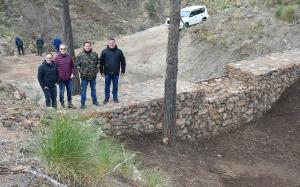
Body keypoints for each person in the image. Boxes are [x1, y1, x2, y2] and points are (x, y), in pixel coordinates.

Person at [100, 38, 126, 104]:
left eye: (113, 42)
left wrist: (123, 71)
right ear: (108, 43)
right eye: (110, 42)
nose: (111, 44)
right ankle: (106, 98)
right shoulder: (104, 51)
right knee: (107, 86)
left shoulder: (119, 51)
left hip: (115, 73)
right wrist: (101, 71)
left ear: (115, 43)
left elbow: (123, 62)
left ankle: (115, 97)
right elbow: (101, 62)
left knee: (115, 86)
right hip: (107, 73)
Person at [76, 41, 100, 109]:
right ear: (84, 47)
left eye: (89, 46)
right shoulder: (80, 55)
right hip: (84, 77)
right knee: (83, 90)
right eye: (86, 46)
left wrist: (96, 70)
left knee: (93, 89)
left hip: (93, 76)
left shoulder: (95, 54)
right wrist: (81, 71)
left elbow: (98, 63)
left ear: (90, 46)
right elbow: (77, 64)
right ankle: (82, 103)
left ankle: (95, 101)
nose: (87, 47)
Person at [53, 44, 75, 108]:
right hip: (60, 79)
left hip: (68, 78)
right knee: (61, 92)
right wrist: (56, 78)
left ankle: (70, 103)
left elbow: (72, 66)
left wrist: (72, 73)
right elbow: (53, 69)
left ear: (66, 49)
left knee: (70, 91)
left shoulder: (69, 57)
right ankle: (62, 104)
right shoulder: (56, 58)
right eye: (61, 49)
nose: (63, 50)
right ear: (59, 49)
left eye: (64, 49)